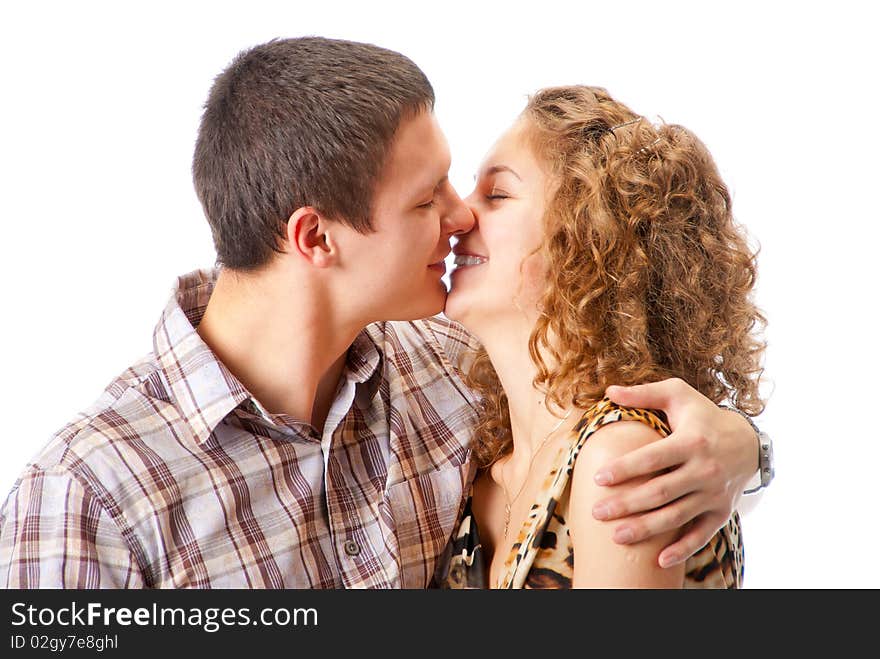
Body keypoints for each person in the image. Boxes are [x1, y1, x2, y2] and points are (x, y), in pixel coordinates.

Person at [0, 39, 767, 588]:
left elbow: (604, 423)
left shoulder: (450, 370)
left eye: (475, 190)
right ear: (316, 236)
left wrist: (743, 450)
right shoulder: (87, 495)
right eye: (426, 197)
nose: (459, 215)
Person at [436, 85, 765, 588]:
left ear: (587, 235)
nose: (458, 217)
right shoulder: (485, 469)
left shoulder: (620, 457)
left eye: (497, 194)